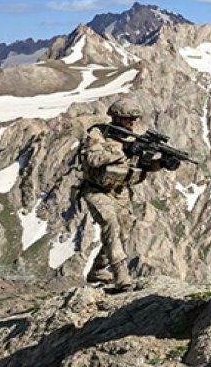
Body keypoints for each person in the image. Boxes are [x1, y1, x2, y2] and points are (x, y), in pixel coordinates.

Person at [78, 96, 162, 291]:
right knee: (110, 224)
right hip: (97, 190)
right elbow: (93, 158)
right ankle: (121, 275)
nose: (132, 123)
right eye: (128, 119)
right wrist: (123, 149)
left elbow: (142, 166)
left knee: (123, 232)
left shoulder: (133, 137)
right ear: (116, 117)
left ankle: (97, 270)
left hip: (121, 192)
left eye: (135, 119)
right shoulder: (98, 134)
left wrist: (160, 162)